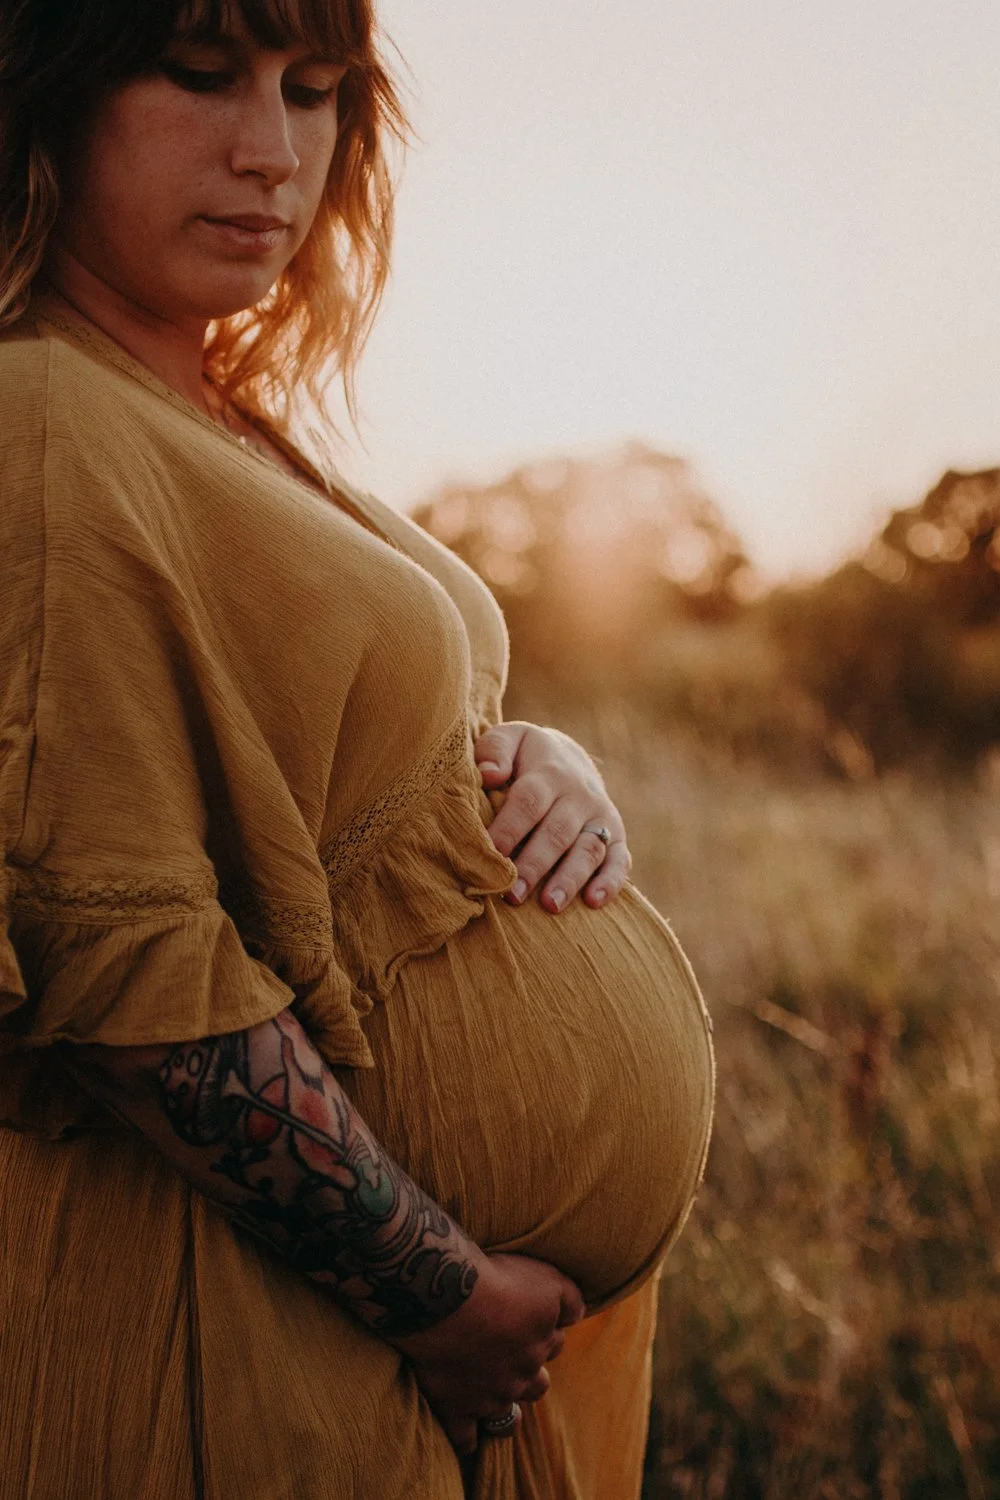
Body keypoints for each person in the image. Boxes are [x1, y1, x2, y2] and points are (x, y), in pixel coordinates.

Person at [0, 2, 715, 1497]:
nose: (270, 152)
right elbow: (120, 969)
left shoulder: (212, 410)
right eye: (200, 79)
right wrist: (439, 1296)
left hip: (373, 1328)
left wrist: (519, 758)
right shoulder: (42, 415)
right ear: (49, 103)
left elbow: (315, 759)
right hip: (246, 1322)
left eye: (314, 92)